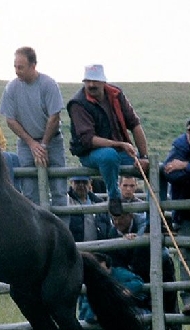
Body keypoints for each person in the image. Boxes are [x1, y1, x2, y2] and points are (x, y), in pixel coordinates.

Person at [67, 64, 150, 217]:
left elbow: (135, 124)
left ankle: (156, 218)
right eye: (88, 81)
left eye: (95, 81)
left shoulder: (116, 94)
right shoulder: (78, 103)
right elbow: (88, 139)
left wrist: (144, 157)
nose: (91, 85)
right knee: (108, 156)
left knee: (154, 170)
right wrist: (119, 144)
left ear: (103, 82)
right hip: (90, 153)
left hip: (120, 149)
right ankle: (114, 196)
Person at [0, 46, 67, 208]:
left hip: (52, 142)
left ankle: (63, 230)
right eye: (15, 66)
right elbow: (11, 120)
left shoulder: (48, 85)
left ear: (33, 66)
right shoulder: (11, 88)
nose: (17, 71)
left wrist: (43, 145)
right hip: (26, 143)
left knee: (58, 189)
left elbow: (54, 117)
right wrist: (32, 144)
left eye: (21, 67)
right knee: (29, 191)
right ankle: (38, 232)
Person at [162, 115, 190, 315]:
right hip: (185, 211)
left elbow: (180, 171)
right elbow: (170, 172)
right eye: (189, 130)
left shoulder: (182, 156)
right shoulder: (179, 147)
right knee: (186, 254)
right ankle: (189, 300)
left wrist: (186, 166)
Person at [78, 253, 149, 323]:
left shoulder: (119, 273)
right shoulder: (90, 281)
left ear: (109, 268)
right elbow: (87, 314)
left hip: (126, 309)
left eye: (102, 269)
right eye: (96, 269)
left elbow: (138, 282)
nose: (99, 272)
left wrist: (120, 291)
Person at [66, 176, 111, 243]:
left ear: (90, 183)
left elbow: (108, 229)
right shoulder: (66, 202)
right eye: (77, 182)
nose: (81, 185)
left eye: (84, 182)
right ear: (71, 183)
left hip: (99, 250)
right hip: (76, 250)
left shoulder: (100, 203)